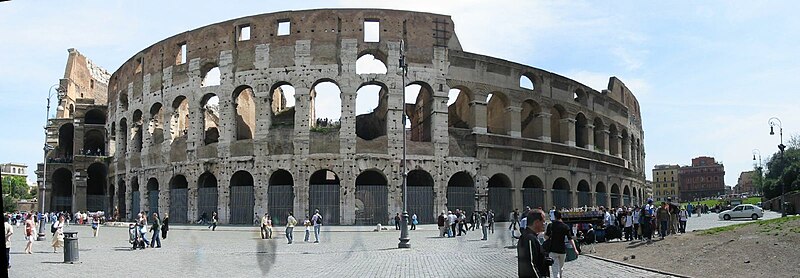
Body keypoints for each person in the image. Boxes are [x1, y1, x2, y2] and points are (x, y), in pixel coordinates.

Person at [546, 210, 579, 278]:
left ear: (554, 217)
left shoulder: (551, 226)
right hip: (562, 250)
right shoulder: (565, 226)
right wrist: (575, 249)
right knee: (561, 267)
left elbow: (546, 237)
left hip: (553, 250)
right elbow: (570, 239)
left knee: (555, 269)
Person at [518, 209, 550, 278]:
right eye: (543, 222)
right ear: (537, 222)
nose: (545, 224)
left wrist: (545, 260)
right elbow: (530, 263)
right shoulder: (529, 238)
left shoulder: (531, 236)